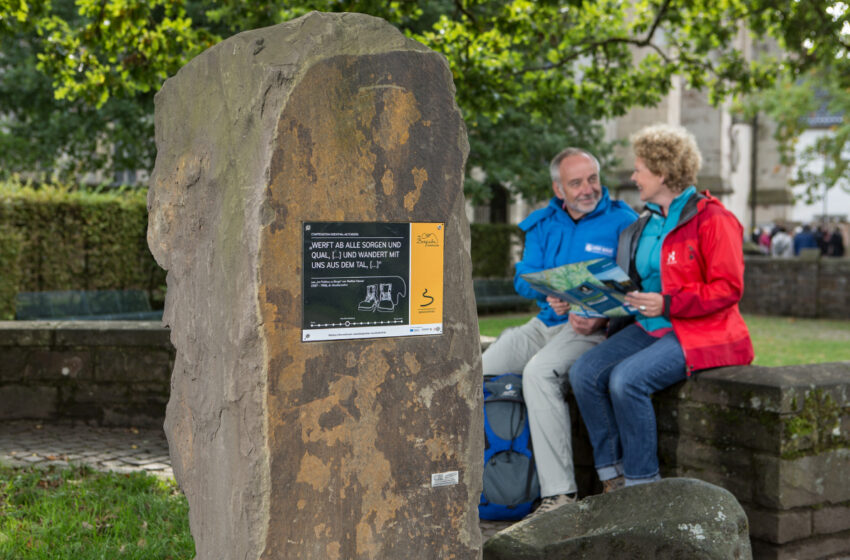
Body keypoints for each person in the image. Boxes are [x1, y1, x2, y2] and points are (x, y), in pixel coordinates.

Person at [569, 124, 754, 492]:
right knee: (584, 373)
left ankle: (643, 487)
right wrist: (594, 300)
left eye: (639, 168)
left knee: (627, 380)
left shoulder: (713, 219)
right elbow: (639, 283)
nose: (633, 176)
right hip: (649, 324)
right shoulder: (646, 223)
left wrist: (668, 303)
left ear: (663, 172)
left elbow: (728, 289)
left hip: (700, 330)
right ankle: (613, 476)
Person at [482, 147, 637, 516]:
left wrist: (600, 316)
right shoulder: (541, 223)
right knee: (480, 372)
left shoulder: (624, 221)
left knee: (539, 372)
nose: (588, 188)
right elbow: (523, 277)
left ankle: (559, 495)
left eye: (593, 178)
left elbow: (635, 285)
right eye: (576, 182)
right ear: (558, 189)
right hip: (544, 323)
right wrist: (548, 290)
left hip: (589, 330)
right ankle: (484, 478)